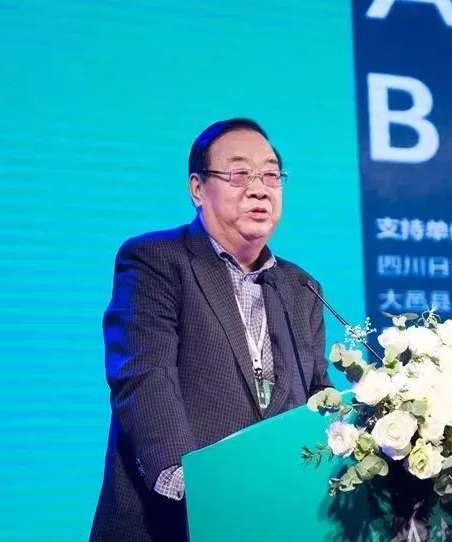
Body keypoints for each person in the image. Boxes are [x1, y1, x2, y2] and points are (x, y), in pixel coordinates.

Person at [90, 118, 333, 541]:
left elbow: (317, 397)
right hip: (171, 522)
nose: (259, 189)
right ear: (198, 188)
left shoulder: (301, 287)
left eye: (271, 175)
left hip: (274, 521)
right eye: (239, 174)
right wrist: (199, 489)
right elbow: (145, 378)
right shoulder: (155, 260)